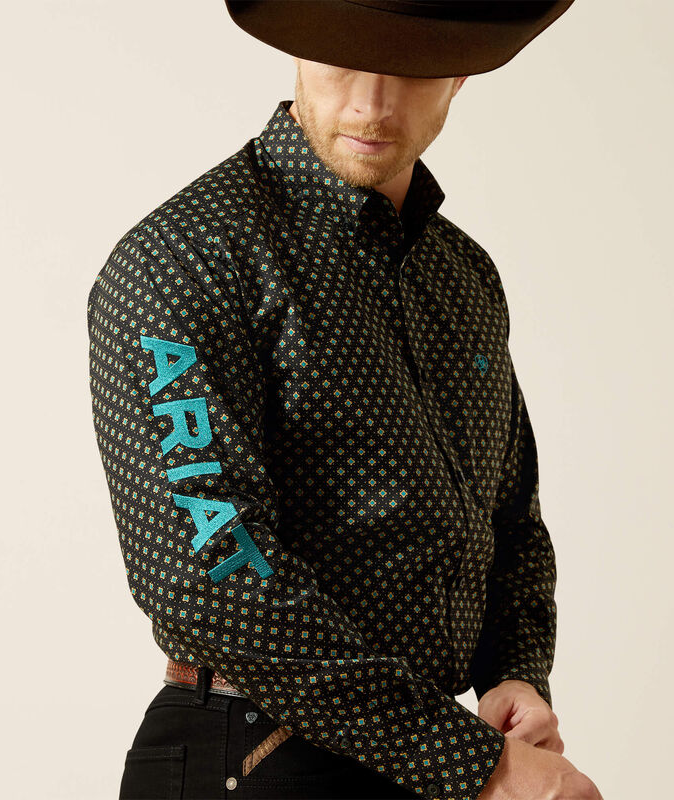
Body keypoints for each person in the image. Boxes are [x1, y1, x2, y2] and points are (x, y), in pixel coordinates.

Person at [87, 1, 602, 798]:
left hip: (427, 754)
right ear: (298, 51)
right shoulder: (187, 259)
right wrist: (477, 764)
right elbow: (210, 576)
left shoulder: (463, 276)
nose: (372, 104)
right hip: (256, 752)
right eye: (343, 62)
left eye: (409, 69)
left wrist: (515, 671)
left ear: (460, 75)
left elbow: (509, 516)